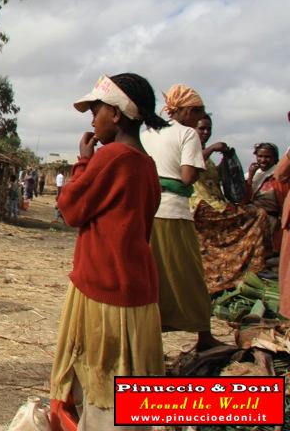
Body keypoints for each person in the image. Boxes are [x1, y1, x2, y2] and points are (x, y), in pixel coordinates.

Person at [50, 73, 165, 431]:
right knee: (131, 378)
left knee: (100, 380)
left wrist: (83, 161)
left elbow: (70, 209)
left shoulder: (110, 157)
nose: (91, 118)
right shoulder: (147, 165)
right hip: (138, 293)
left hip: (102, 291)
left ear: (116, 115)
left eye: (96, 109)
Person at [139, 84, 221, 350]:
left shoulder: (148, 132)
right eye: (198, 111)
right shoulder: (188, 134)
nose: (200, 117)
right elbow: (187, 177)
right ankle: (204, 335)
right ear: (185, 110)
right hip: (174, 213)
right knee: (190, 273)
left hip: (147, 211)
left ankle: (148, 337)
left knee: (153, 274)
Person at [190, 115, 269, 293]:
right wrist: (212, 148)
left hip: (216, 202)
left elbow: (214, 178)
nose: (205, 132)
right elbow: (190, 165)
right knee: (258, 214)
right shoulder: (189, 148)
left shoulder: (205, 155)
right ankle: (253, 268)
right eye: (201, 128)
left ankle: (233, 276)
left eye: (208, 129)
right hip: (203, 206)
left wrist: (226, 161)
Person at [245, 142, 289, 238]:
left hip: (270, 222)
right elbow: (244, 200)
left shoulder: (280, 177)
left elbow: (284, 201)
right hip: (250, 220)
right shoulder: (251, 175)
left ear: (275, 158)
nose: (263, 160)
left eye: (267, 157)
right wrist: (250, 177)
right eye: (260, 156)